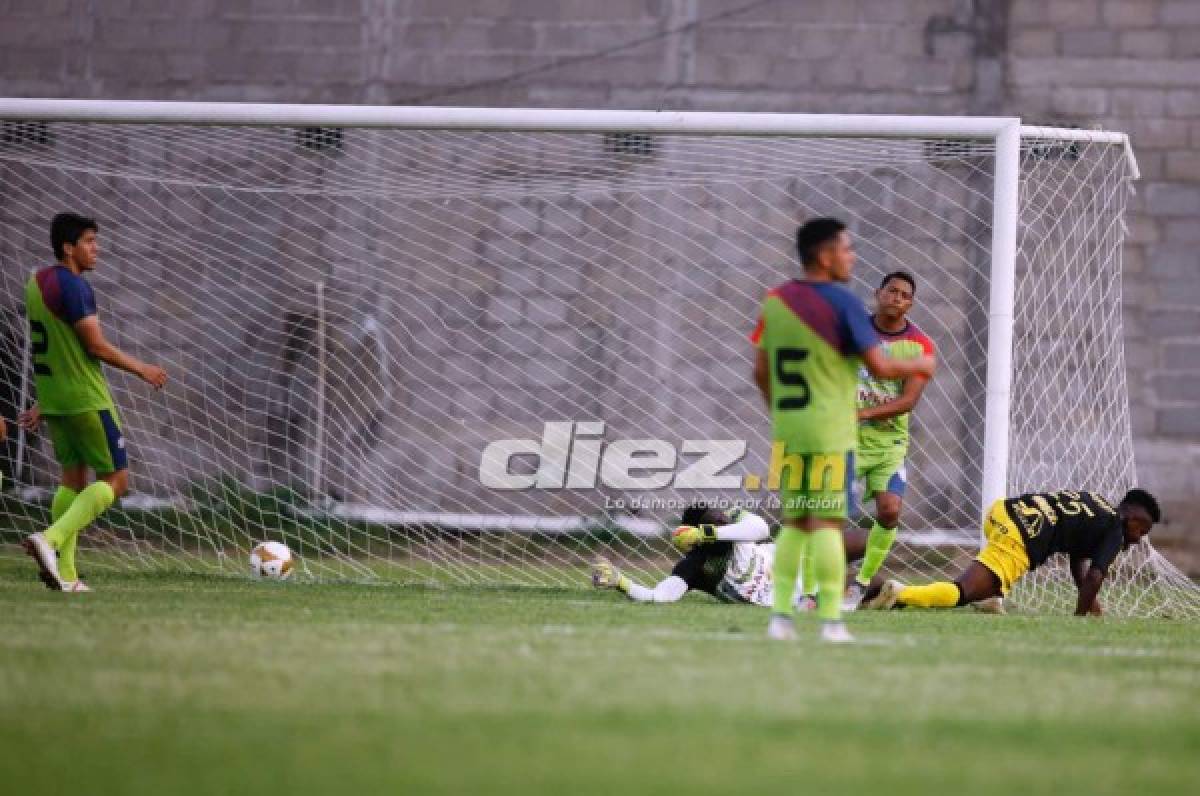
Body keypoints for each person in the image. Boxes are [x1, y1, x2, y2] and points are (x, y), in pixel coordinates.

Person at [750, 218, 935, 643]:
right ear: (825, 254)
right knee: (829, 526)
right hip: (833, 431)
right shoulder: (843, 304)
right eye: (847, 249)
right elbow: (882, 366)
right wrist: (921, 364)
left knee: (795, 523)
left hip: (792, 429)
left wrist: (781, 416)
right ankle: (831, 619)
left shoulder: (775, 302)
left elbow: (760, 371)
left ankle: (781, 616)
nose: (851, 256)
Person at [21, 212, 167, 592]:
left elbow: (54, 347)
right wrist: (142, 369)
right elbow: (94, 345)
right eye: (89, 241)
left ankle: (66, 575)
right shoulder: (75, 287)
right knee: (116, 480)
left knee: (72, 479)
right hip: (87, 400)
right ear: (68, 249)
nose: (96, 249)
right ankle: (50, 540)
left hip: (54, 401)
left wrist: (42, 401)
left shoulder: (35, 284)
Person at [866, 488, 1160, 616]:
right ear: (1132, 518)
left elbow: (1078, 561)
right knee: (961, 592)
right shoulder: (1116, 529)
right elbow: (1096, 575)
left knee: (993, 581)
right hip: (1022, 536)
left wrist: (1089, 601)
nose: (1137, 540)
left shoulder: (1096, 504)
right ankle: (899, 594)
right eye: (1141, 531)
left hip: (1001, 512)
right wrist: (1081, 615)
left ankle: (992, 597)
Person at [842, 270, 934, 610]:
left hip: (887, 444)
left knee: (890, 511)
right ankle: (812, 584)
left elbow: (908, 401)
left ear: (910, 305)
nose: (897, 297)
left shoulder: (919, 347)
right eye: (891, 291)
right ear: (878, 293)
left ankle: (861, 584)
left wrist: (862, 414)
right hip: (844, 441)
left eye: (904, 295)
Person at [590, 502, 874, 606]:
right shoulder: (697, 566)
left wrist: (709, 532)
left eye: (724, 519)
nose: (725, 522)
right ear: (699, 535)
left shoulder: (736, 520)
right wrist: (620, 582)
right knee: (875, 586)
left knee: (865, 541)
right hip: (790, 596)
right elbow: (659, 596)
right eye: (717, 522)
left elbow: (760, 528)